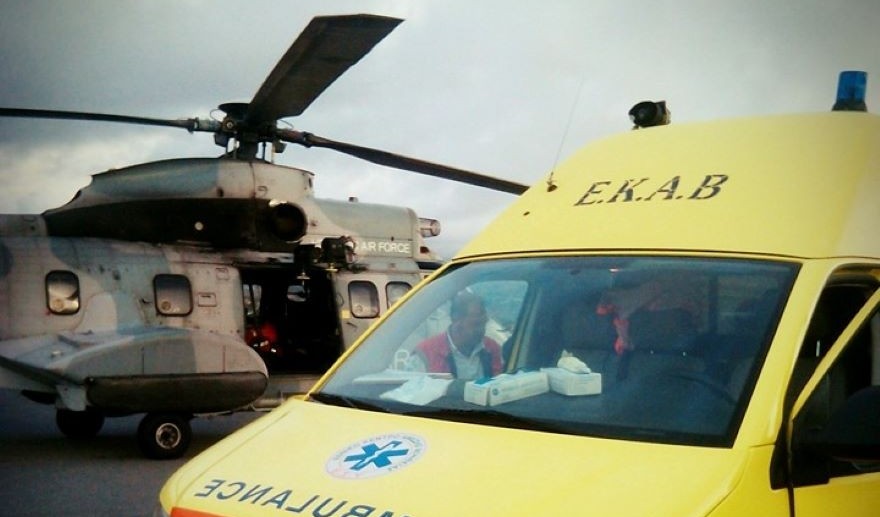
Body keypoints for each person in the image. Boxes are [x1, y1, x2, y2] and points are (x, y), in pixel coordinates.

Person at [409, 292, 503, 380]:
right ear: (457, 320)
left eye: (484, 318)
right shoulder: (425, 354)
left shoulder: (492, 349)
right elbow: (410, 390)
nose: (484, 320)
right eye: (477, 319)